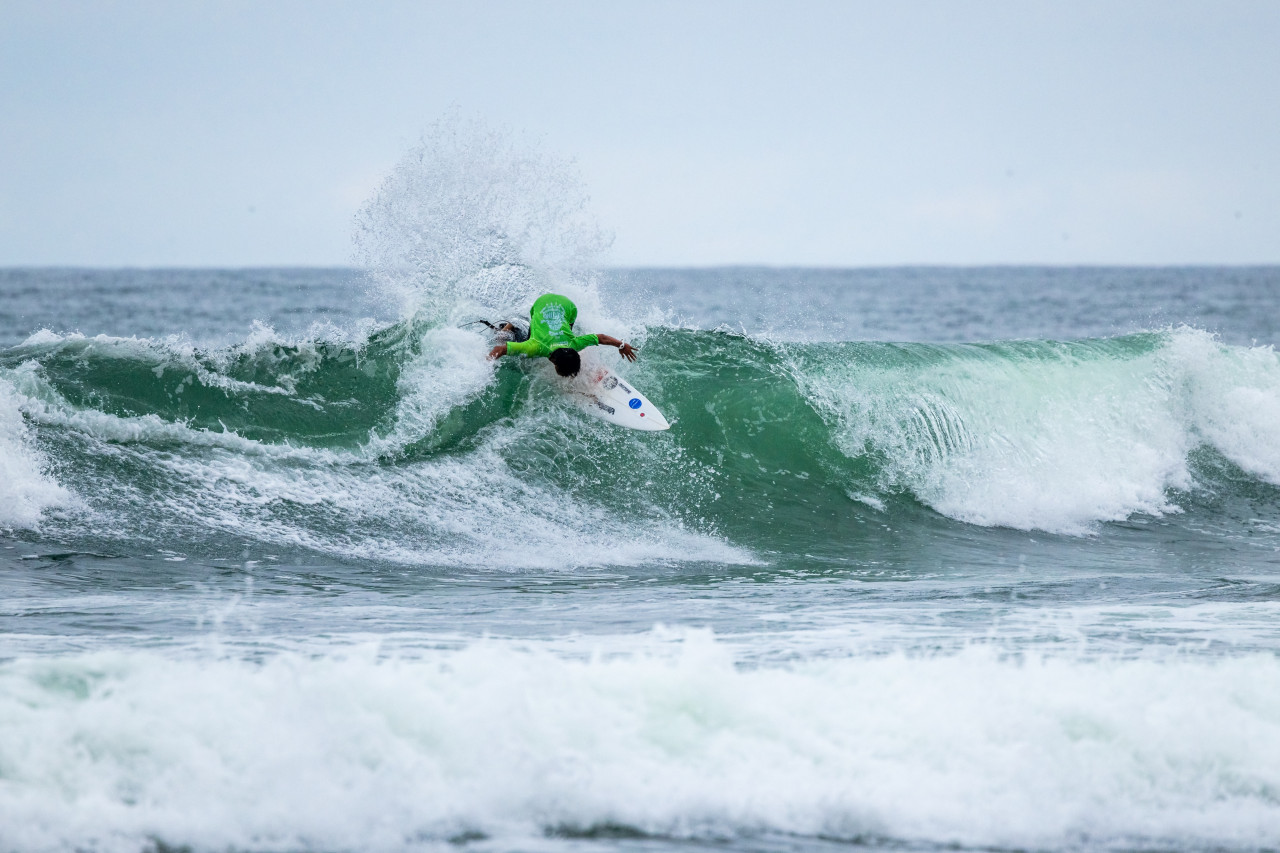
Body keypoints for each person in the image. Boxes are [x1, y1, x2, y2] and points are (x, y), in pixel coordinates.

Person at [487, 293, 636, 377]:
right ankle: (512, 324)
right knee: (510, 338)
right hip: (541, 303)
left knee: (564, 330)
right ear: (554, 362)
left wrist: (623, 345)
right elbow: (499, 349)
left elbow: (602, 337)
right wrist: (486, 367)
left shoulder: (574, 344)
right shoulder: (535, 347)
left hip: (568, 306)